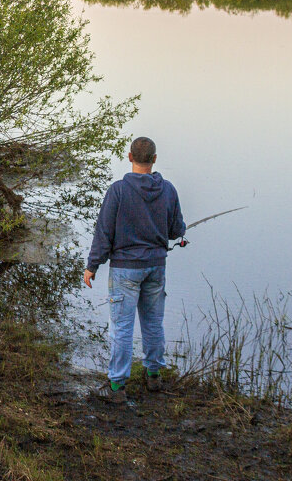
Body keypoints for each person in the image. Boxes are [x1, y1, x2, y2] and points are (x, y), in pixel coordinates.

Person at [84, 136, 186, 403]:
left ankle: (117, 387)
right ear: (154, 159)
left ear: (129, 157)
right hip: (156, 267)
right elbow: (176, 230)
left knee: (122, 328)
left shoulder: (118, 191)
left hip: (125, 270)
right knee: (153, 324)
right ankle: (154, 376)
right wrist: (178, 232)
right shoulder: (169, 190)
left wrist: (92, 265)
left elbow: (104, 233)